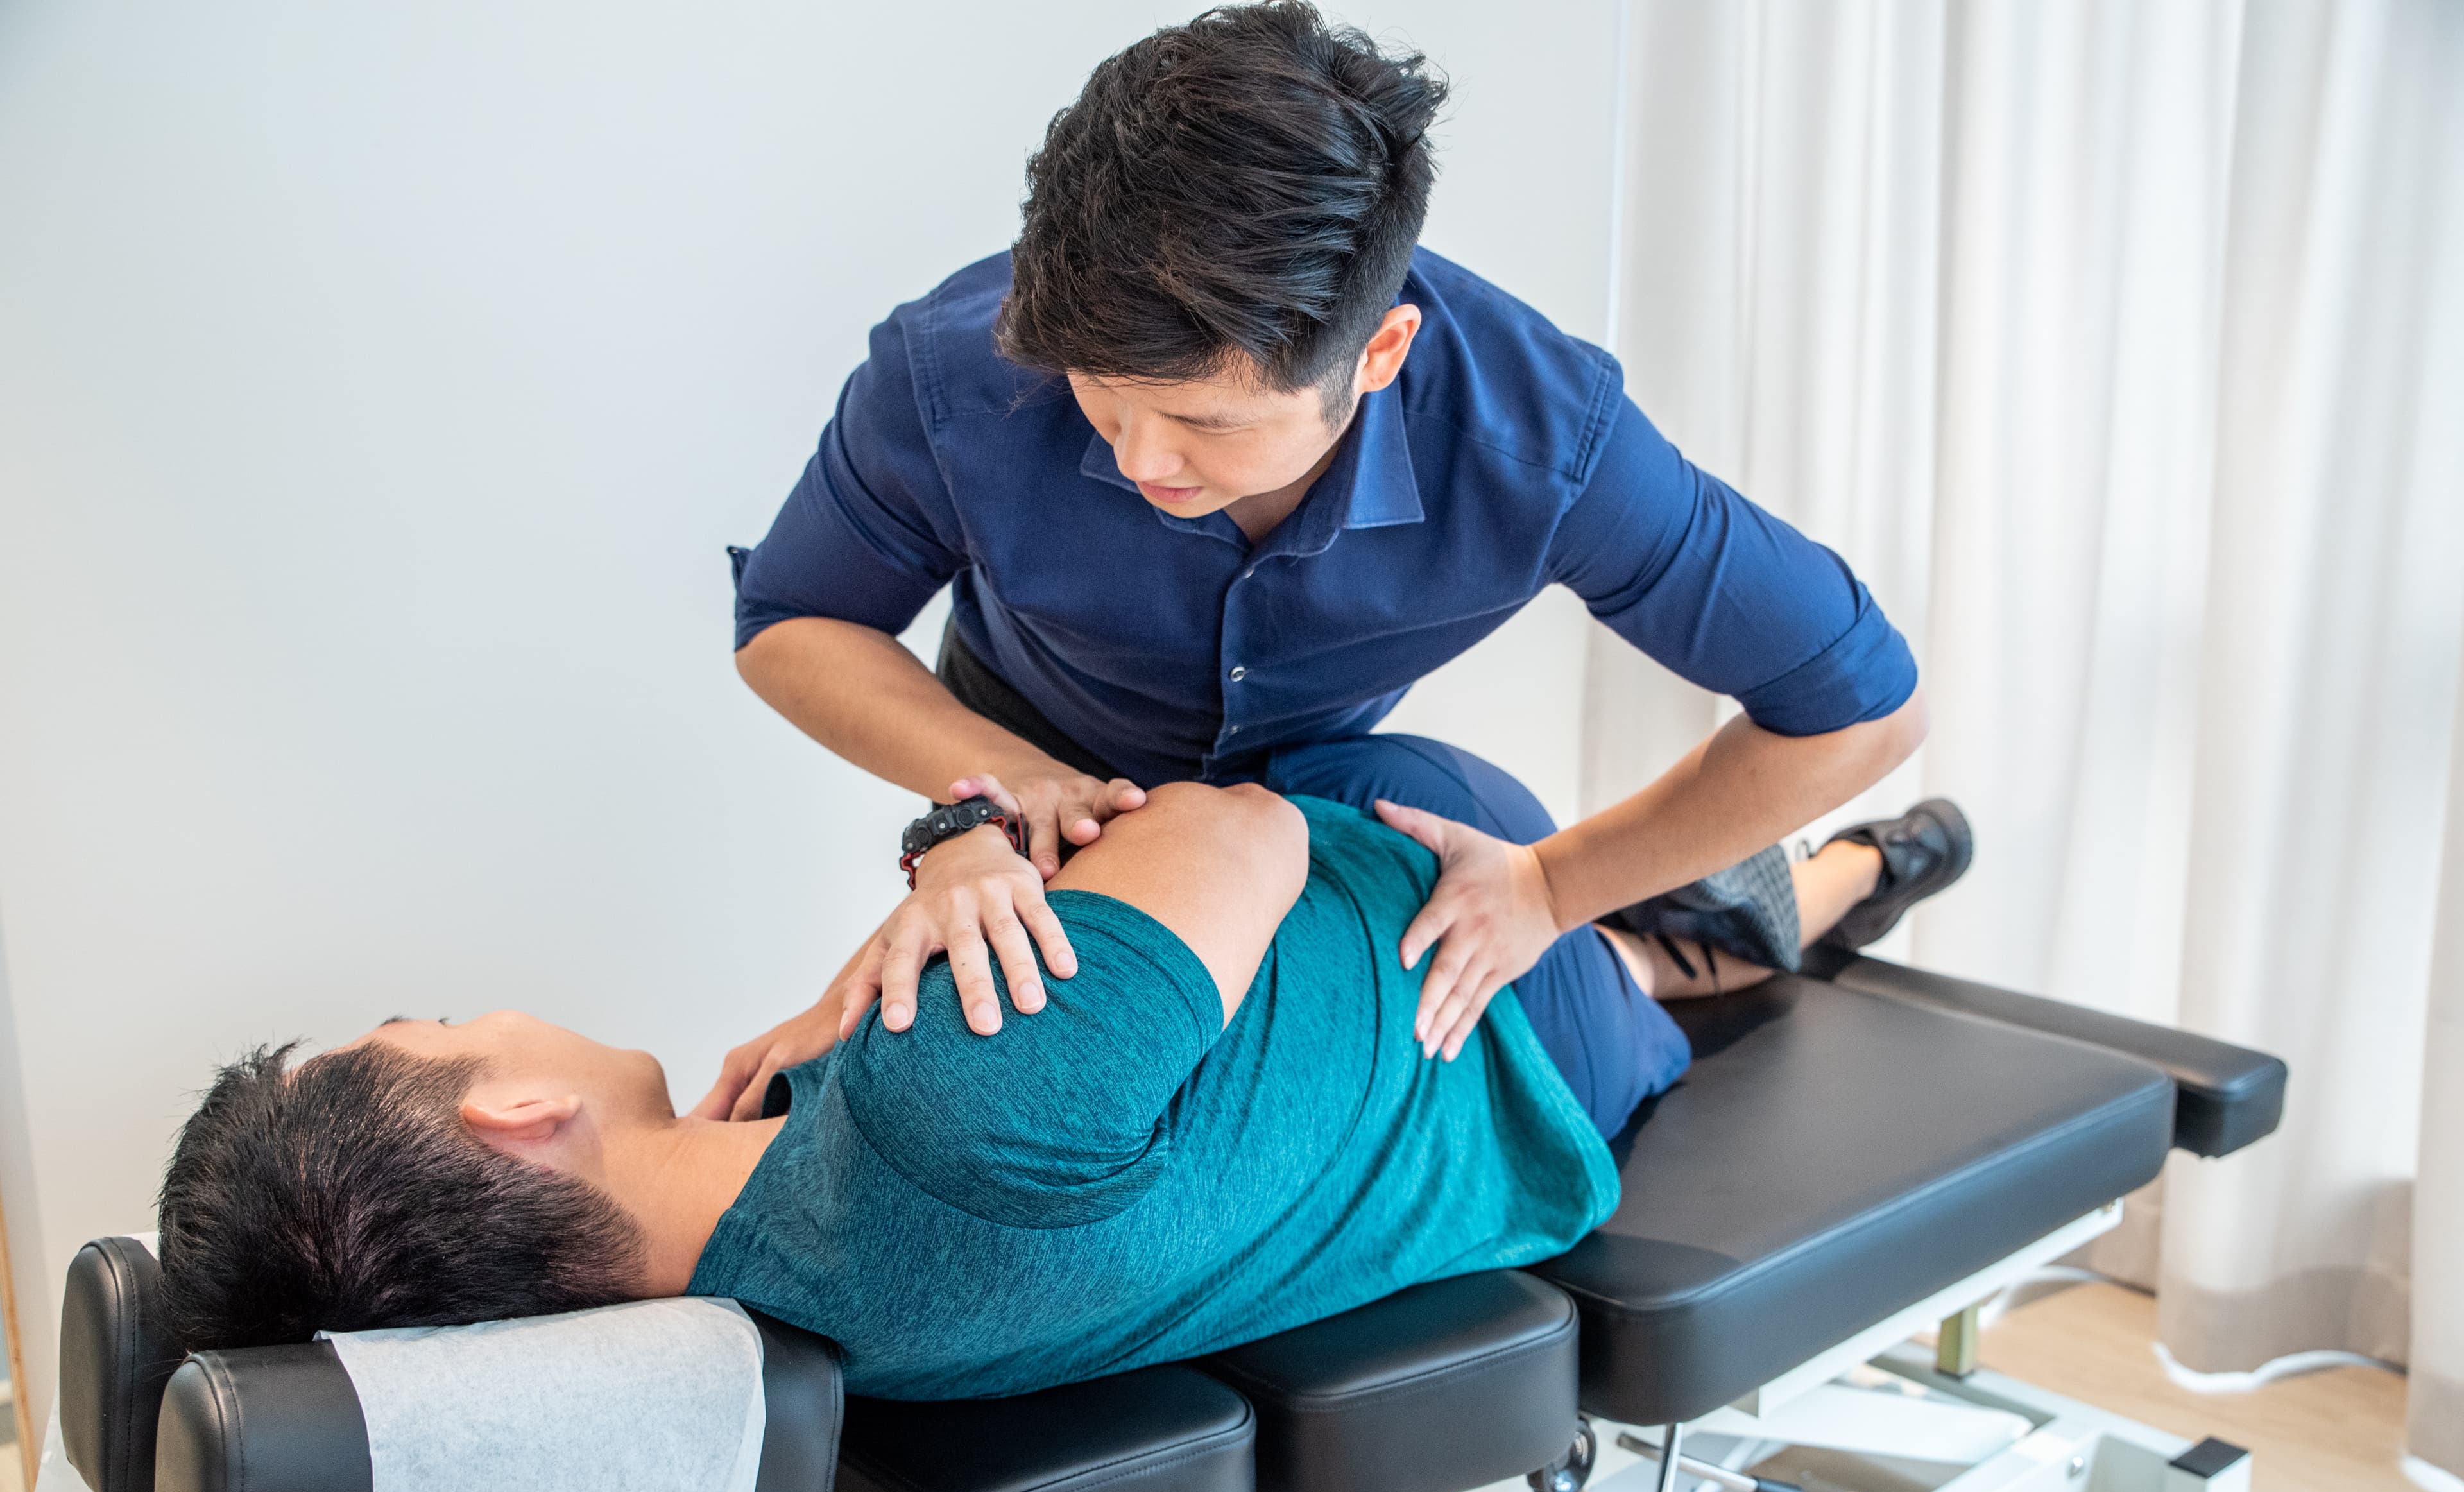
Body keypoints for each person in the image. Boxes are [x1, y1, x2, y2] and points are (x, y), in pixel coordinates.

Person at [721, 3, 1934, 1110]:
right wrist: (991, 789)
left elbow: (1859, 711)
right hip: (1041, 827)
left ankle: (1822, 887)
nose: (1144, 460)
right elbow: (792, 620)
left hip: (1342, 816)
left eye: (1209, 423)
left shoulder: (1543, 440)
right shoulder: (954, 371)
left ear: (1381, 353)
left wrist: (1555, 894)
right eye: (1100, 395)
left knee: (1583, 1040)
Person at [155, 752, 1970, 1398]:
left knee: (1667, 946)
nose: (503, 1009)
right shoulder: (955, 1099)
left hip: (1407, 1027)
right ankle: (1821, 883)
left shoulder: (763, 1252)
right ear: (512, 1112)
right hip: (1481, 1002)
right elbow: (1245, 828)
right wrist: (966, 829)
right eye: (455, 1014)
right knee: (1661, 956)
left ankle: (1778, 898)